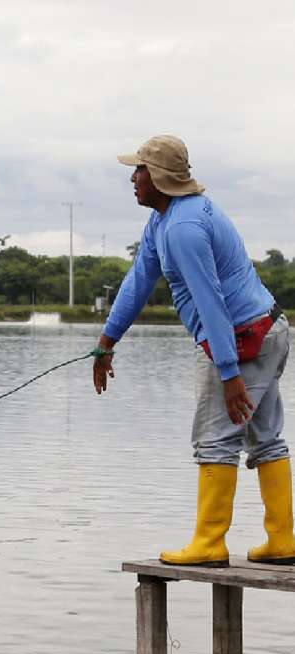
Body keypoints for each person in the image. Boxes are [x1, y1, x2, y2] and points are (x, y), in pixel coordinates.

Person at [94, 135, 294, 567]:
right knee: (265, 437)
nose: (133, 178)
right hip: (267, 330)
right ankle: (282, 541)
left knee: (214, 440)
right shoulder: (165, 219)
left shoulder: (184, 227)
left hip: (242, 342)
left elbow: (211, 302)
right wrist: (106, 343)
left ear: (161, 178)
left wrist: (229, 373)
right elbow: (137, 282)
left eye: (140, 170)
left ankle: (209, 543)